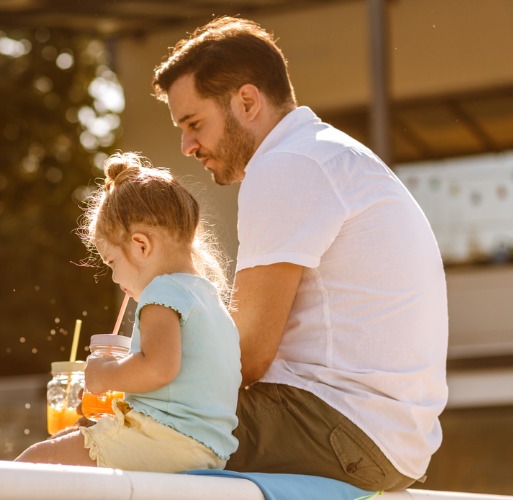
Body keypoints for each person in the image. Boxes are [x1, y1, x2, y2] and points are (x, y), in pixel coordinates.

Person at [151, 16, 448, 491]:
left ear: (247, 101)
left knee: (119, 430)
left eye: (194, 123)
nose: (186, 146)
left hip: (340, 429)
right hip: (376, 435)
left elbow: (246, 357)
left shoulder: (287, 165)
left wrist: (137, 371)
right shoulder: (323, 153)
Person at [15, 151, 242, 473]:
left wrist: (102, 374)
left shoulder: (162, 291)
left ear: (141, 246)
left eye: (111, 263)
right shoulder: (208, 297)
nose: (115, 278)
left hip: (164, 440)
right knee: (68, 440)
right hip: (206, 448)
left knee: (35, 462)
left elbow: (158, 369)